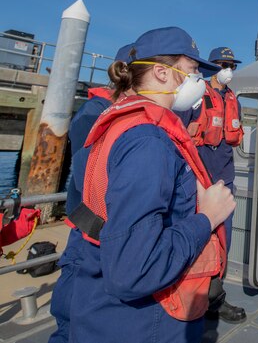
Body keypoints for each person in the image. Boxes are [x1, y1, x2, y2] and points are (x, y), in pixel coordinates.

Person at [62, 27, 236, 343]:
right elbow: (134, 270)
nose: (200, 81)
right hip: (144, 323)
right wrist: (207, 218)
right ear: (160, 72)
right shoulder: (148, 141)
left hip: (109, 314)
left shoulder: (127, 124)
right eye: (193, 70)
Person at [49, 42, 133, 343]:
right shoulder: (93, 114)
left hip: (115, 235)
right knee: (72, 318)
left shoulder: (128, 115)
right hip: (90, 233)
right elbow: (93, 183)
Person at [177, 46, 246, 323]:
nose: (228, 70)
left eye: (231, 65)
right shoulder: (196, 96)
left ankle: (216, 297)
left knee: (222, 243)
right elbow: (179, 135)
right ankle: (189, 298)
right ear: (210, 67)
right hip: (197, 182)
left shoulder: (233, 99)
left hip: (224, 180)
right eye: (222, 64)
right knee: (196, 241)